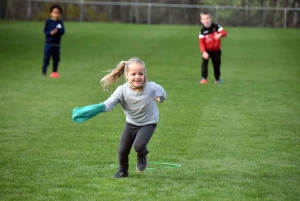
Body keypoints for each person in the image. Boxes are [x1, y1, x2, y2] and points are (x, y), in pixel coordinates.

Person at [73, 57, 167, 178]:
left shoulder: (152, 87)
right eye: (133, 74)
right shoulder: (122, 91)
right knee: (123, 150)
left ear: (144, 74)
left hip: (149, 122)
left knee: (138, 145)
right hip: (131, 123)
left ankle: (142, 154)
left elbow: (162, 95)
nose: (137, 77)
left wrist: (159, 99)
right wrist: (97, 108)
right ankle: (123, 171)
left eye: (140, 74)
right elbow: (109, 104)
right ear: (126, 75)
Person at [198, 11, 227, 84]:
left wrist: (220, 35)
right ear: (201, 20)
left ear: (210, 19)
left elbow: (224, 33)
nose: (206, 21)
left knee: (217, 65)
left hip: (216, 50)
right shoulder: (202, 31)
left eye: (207, 18)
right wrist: (204, 52)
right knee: (204, 64)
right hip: (207, 50)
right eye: (204, 19)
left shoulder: (216, 27)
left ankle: (217, 79)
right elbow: (201, 43)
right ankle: (204, 78)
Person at [41, 4, 65, 78]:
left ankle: (54, 72)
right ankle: (44, 71)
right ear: (51, 13)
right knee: (46, 58)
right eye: (54, 12)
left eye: (58, 13)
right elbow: (45, 31)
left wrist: (57, 31)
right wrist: (50, 33)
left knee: (56, 59)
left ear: (60, 14)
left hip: (56, 45)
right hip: (49, 44)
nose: (56, 14)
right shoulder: (48, 22)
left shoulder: (60, 23)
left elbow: (63, 31)